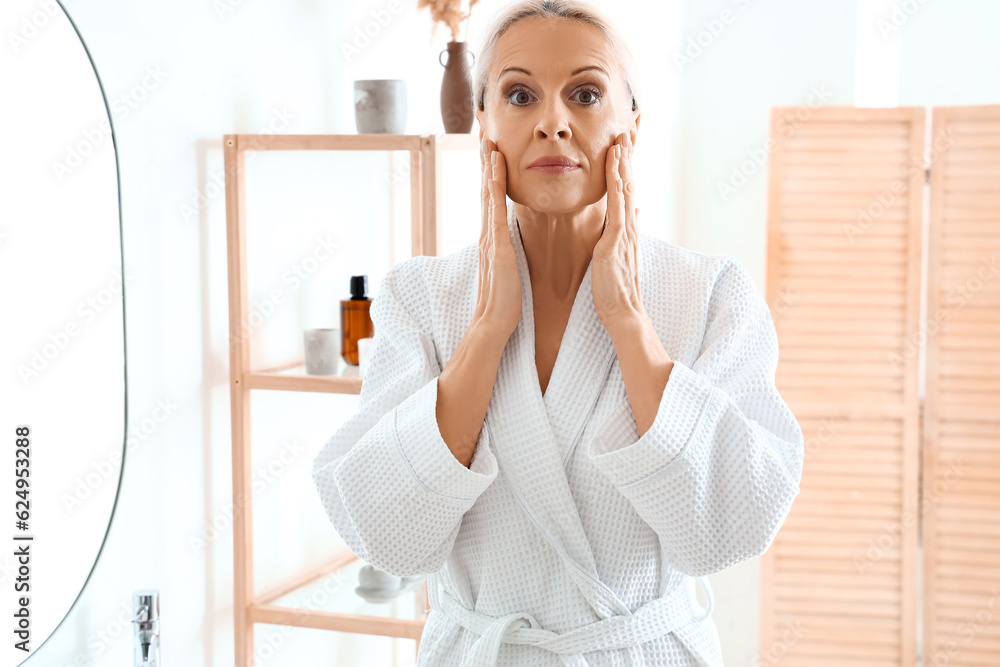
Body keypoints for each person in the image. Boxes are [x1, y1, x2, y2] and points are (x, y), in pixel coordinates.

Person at [311, 1, 805, 664]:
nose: (552, 123)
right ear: (482, 124)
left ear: (633, 120)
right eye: (519, 95)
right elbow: (384, 534)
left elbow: (736, 523)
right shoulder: (422, 298)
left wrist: (629, 321)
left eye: (585, 93)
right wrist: (488, 329)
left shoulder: (709, 294)